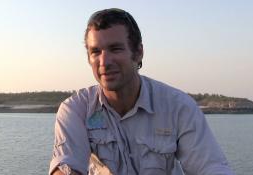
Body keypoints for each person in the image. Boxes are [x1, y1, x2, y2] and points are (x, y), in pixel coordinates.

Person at [49, 8, 234, 175]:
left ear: (138, 53)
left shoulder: (178, 106)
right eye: (95, 51)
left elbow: (211, 167)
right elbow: (66, 166)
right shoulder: (76, 110)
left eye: (115, 49)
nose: (104, 62)